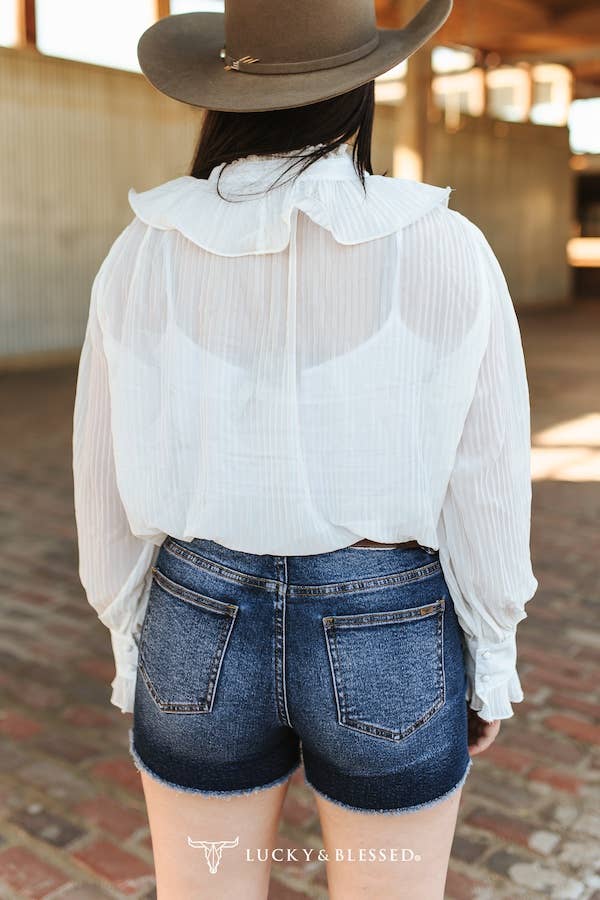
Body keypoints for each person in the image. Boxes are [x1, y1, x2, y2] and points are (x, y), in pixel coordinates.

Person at [72, 0, 538, 896]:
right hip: (389, 617)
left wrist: (134, 639)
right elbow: (486, 479)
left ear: (223, 90)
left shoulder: (145, 249)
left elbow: (104, 465)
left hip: (195, 610)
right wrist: (494, 653)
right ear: (359, 87)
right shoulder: (444, 246)